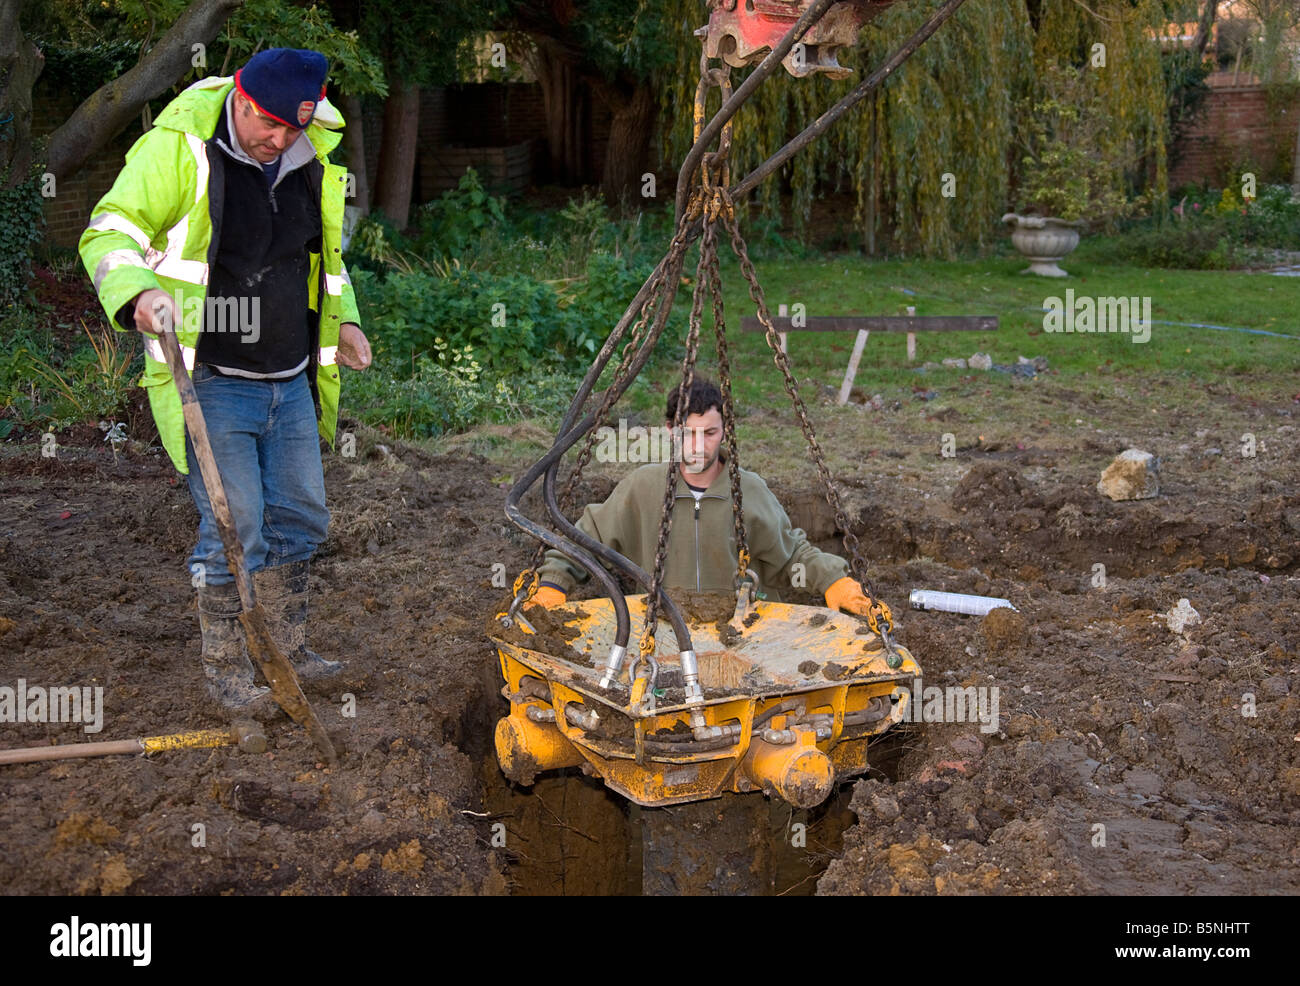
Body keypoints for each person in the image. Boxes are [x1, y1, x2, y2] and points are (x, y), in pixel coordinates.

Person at [79, 48, 371, 711]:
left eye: (292, 130)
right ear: (241, 101)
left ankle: (288, 652)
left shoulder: (307, 157)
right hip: (211, 378)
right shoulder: (178, 150)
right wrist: (138, 293)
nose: (279, 140)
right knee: (235, 525)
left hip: (291, 378)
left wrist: (345, 322)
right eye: (270, 126)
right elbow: (107, 232)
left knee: (301, 518)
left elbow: (322, 261)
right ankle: (229, 673)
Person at [532, 378, 878, 614]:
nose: (698, 446)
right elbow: (582, 538)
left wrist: (835, 581)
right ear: (670, 430)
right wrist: (553, 583)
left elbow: (789, 555)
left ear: (724, 429)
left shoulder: (749, 489)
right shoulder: (643, 488)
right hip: (663, 628)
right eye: (688, 434)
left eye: (710, 433)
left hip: (743, 631)